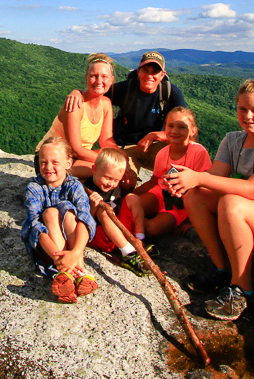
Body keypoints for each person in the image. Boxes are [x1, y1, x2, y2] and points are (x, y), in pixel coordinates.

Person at [167, 79, 254, 321]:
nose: (248, 115)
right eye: (243, 109)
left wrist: (198, 177)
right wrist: (185, 181)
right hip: (246, 212)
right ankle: (222, 269)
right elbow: (213, 178)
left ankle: (242, 289)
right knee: (196, 196)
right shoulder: (233, 140)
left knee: (230, 202)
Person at [65, 51, 187, 172]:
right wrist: (77, 92)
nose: (150, 75)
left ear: (162, 74)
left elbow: (187, 129)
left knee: (180, 155)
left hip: (155, 146)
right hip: (126, 147)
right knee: (125, 182)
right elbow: (96, 90)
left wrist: (157, 135)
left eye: (155, 71)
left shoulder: (170, 92)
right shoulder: (126, 88)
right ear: (138, 71)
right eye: (145, 70)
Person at [21, 136, 100, 303]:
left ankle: (70, 275)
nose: (49, 167)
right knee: (49, 213)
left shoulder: (75, 186)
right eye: (43, 162)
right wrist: (60, 259)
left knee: (70, 213)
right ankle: (71, 273)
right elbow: (35, 227)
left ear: (68, 164)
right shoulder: (34, 189)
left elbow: (86, 219)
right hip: (47, 248)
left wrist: (76, 252)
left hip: (73, 249)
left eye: (55, 162)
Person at [122, 107, 211, 240]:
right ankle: (132, 229)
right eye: (170, 126)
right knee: (130, 207)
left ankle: (131, 229)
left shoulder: (198, 153)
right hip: (159, 193)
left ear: (193, 131)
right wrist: (127, 198)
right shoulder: (163, 153)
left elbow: (205, 188)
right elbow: (153, 182)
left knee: (152, 229)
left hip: (181, 204)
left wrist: (191, 221)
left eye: (181, 127)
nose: (175, 131)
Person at [37, 53, 120, 181]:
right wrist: (109, 162)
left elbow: (106, 140)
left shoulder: (106, 104)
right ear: (86, 78)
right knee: (107, 171)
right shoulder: (76, 104)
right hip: (50, 159)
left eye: (104, 77)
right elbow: (75, 149)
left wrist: (118, 156)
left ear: (111, 80)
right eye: (93, 76)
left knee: (115, 170)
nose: (99, 81)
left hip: (77, 159)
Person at [83, 147, 151, 276]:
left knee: (133, 198)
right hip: (98, 235)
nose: (111, 184)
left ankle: (139, 240)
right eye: (108, 178)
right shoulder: (86, 189)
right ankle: (128, 253)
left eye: (116, 180)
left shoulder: (114, 186)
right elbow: (83, 224)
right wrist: (92, 207)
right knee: (103, 211)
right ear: (94, 170)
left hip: (117, 230)